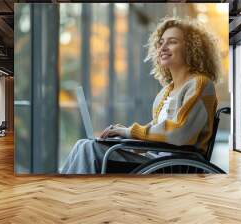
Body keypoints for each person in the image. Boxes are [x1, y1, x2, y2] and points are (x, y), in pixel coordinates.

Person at [61, 16, 222, 174]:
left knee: (91, 149)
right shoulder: (166, 91)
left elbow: (178, 133)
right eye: (161, 42)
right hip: (155, 160)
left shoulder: (200, 84)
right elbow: (159, 133)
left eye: (172, 41)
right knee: (83, 144)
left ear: (191, 48)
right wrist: (125, 137)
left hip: (177, 166)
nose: (163, 47)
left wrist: (129, 132)